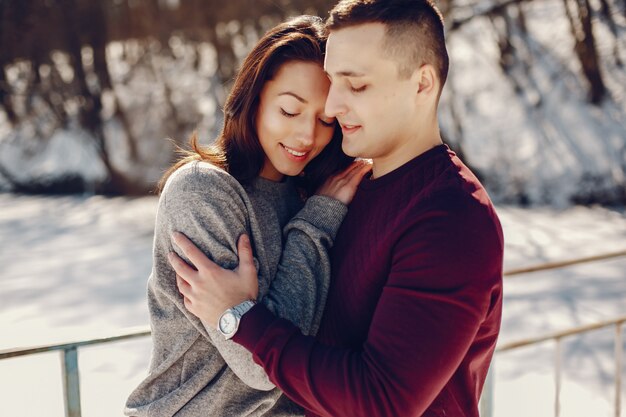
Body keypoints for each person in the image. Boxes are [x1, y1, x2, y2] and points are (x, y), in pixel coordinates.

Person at [170, 1, 505, 416]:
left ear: (422, 84)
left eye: (357, 85)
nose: (331, 107)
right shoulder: (342, 191)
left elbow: (382, 402)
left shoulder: (452, 218)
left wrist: (242, 318)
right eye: (332, 83)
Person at [125, 15, 371, 417]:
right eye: (290, 111)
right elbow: (262, 367)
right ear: (253, 99)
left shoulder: (309, 194)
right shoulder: (202, 191)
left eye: (325, 120)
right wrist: (316, 222)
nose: (307, 136)